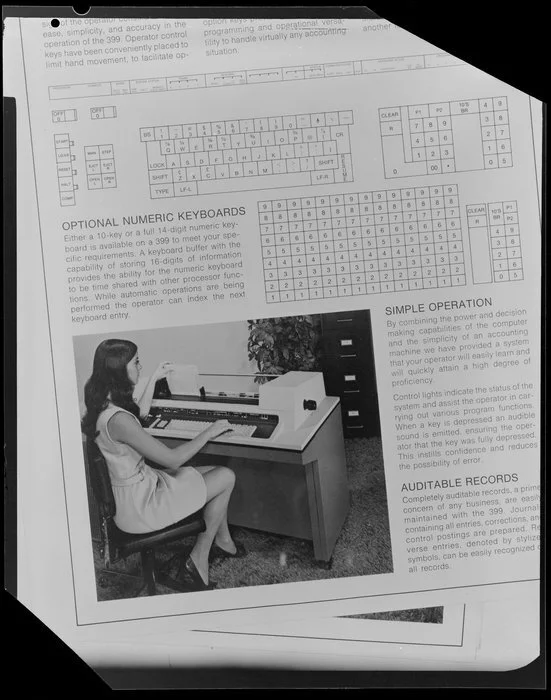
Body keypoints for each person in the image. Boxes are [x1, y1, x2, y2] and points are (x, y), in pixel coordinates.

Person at [81, 338, 245, 591]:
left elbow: (138, 416)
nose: (140, 367)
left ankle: (223, 541)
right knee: (225, 476)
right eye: (136, 362)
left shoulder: (103, 404)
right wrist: (209, 431)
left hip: (133, 493)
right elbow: (173, 459)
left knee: (209, 473)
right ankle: (198, 559)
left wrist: (155, 378)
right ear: (119, 370)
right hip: (140, 508)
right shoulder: (119, 421)